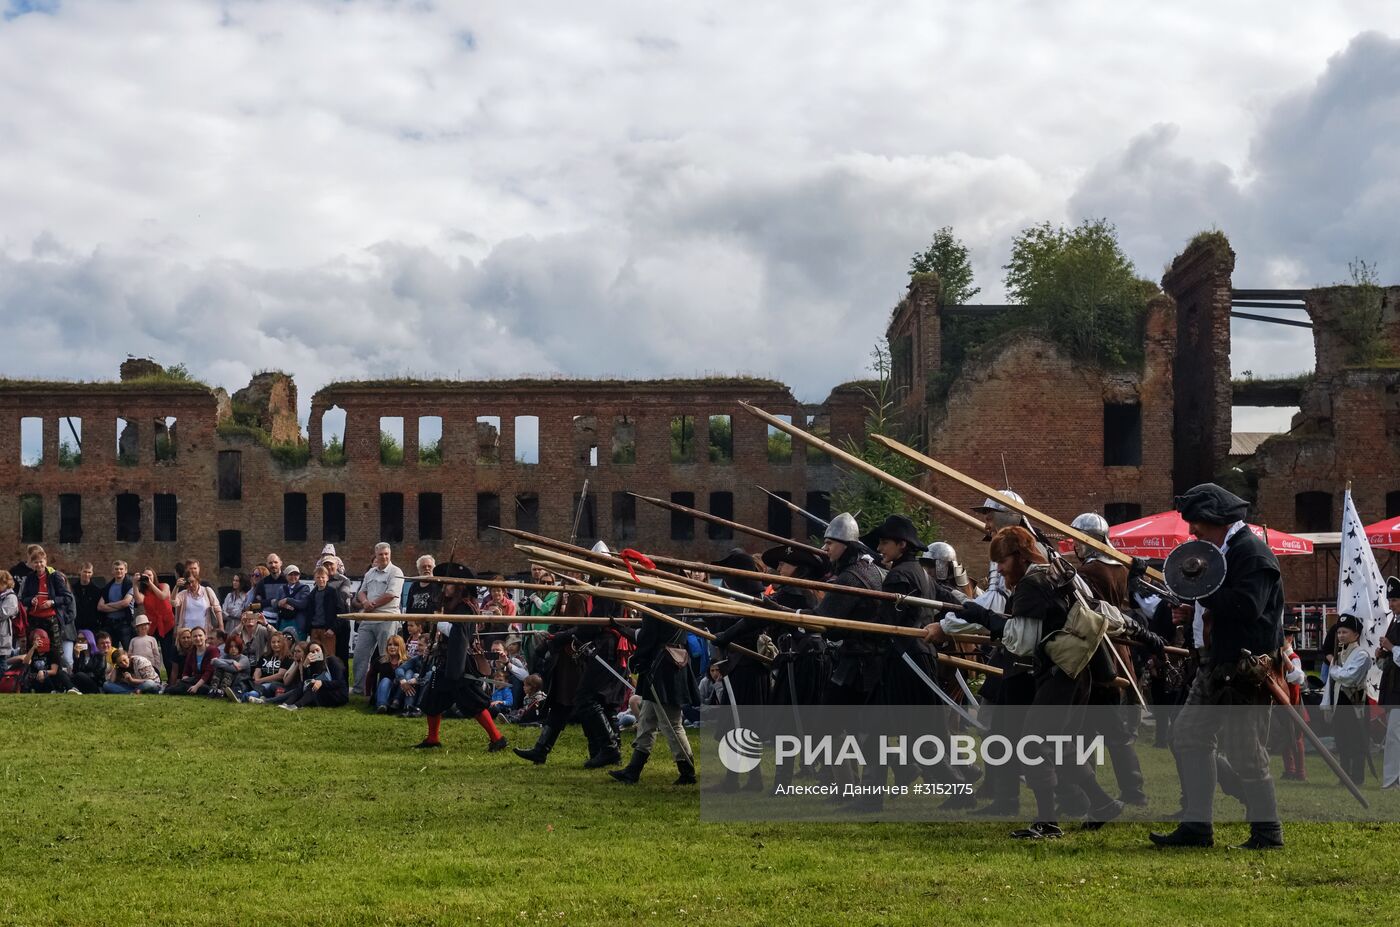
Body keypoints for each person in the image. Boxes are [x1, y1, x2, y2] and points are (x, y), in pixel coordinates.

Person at [1150, 483, 1286, 851]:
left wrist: (1199, 591)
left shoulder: (1252, 553)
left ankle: (1267, 832)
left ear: (1218, 520)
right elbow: (1224, 607)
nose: (1193, 533)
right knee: (1187, 735)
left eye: (1198, 526)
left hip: (1245, 669)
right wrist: (1194, 609)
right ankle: (1197, 826)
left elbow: (1248, 608)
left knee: (1245, 752)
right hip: (1215, 663)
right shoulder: (1225, 550)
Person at [416, 564, 508, 751]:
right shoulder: (451, 605)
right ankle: (432, 739)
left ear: (459, 587)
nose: (445, 587)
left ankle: (497, 738)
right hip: (446, 660)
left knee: (473, 702)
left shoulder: (466, 608)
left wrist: (439, 622)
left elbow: (459, 635)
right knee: (433, 699)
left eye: (449, 584)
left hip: (459, 662)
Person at [610, 602, 699, 785]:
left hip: (662, 668)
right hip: (669, 662)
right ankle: (633, 770)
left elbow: (646, 638)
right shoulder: (682, 603)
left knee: (672, 724)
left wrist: (624, 631)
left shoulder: (656, 605)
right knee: (647, 720)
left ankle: (687, 771)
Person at [1325, 614, 1373, 785]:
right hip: (1340, 704)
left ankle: (1357, 778)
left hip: (1356, 705)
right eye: (1339, 632)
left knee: (1357, 742)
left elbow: (1349, 677)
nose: (1341, 636)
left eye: (1345, 632)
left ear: (1356, 635)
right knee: (1342, 742)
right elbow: (1334, 682)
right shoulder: (1340, 654)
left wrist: (1334, 671)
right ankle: (1344, 777)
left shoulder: (1362, 655)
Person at [353, 543, 405, 694]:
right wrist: (365, 602)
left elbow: (391, 594)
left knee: (387, 656)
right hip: (368, 618)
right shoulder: (370, 573)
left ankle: (386, 689)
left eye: (386, 554)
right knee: (360, 654)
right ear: (375, 555)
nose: (384, 557)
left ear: (390, 554)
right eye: (380, 554)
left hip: (387, 617)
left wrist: (372, 604)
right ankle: (358, 690)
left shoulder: (396, 571)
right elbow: (362, 592)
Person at [17, 545, 77, 670]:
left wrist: (52, 602)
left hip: (51, 618)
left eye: (41, 562)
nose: (39, 565)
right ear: (32, 564)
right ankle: (32, 676)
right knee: (34, 646)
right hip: (34, 618)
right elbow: (23, 598)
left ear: (45, 561)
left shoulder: (55, 577)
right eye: (36, 562)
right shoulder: (30, 578)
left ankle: (56, 676)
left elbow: (67, 597)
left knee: (55, 649)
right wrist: (31, 600)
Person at [278, 642, 349, 711]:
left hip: (337, 694)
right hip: (321, 692)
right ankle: (286, 703)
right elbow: (305, 683)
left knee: (312, 685)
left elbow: (339, 683)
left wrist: (321, 683)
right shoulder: (312, 664)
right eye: (312, 652)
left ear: (322, 650)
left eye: (317, 650)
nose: (315, 653)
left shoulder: (332, 661)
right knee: (303, 684)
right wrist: (305, 666)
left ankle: (297, 705)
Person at [132, 569, 177, 676]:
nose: (148, 577)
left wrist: (150, 583)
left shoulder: (164, 585)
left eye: (150, 575)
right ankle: (153, 677)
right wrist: (134, 584)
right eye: (145, 576)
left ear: (154, 576)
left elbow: (162, 596)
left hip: (167, 624)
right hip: (153, 625)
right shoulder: (144, 592)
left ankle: (172, 679)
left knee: (167, 655)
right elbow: (139, 601)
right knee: (150, 653)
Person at [1280, 625, 1308, 781]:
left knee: (1296, 736)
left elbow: (1298, 677)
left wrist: (1284, 657)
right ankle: (1289, 770)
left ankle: (1300, 772)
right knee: (1285, 736)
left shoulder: (1293, 657)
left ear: (1289, 639)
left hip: (1293, 701)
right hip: (1281, 702)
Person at [9, 629, 72, 693]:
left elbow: (54, 671)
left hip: (50, 678)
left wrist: (43, 672)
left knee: (52, 676)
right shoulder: (32, 652)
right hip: (36, 679)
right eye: (36, 639)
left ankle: (61, 690)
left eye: (42, 638)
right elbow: (25, 663)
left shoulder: (52, 652)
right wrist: (33, 648)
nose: (39, 641)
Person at [165, 627, 220, 696]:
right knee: (181, 684)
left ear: (205, 637)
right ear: (192, 639)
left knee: (199, 688)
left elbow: (209, 672)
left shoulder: (213, 650)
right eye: (195, 636)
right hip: (195, 680)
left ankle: (214, 692)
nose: (197, 638)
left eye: (200, 635)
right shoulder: (192, 652)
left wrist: (196, 686)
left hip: (209, 681)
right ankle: (167, 689)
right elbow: (186, 671)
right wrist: (184, 680)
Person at [173, 559, 222, 633]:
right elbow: (174, 603)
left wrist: (221, 626)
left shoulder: (206, 588)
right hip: (187, 632)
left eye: (195, 568)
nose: (191, 585)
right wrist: (176, 587)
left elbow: (217, 608)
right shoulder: (183, 591)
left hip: (204, 631)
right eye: (190, 569)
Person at [305, 566, 344, 657]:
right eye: (318, 577)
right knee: (315, 656)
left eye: (323, 577)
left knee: (329, 656)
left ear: (327, 578)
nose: (320, 579)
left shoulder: (333, 592)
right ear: (314, 578)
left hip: (327, 631)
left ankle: (329, 672)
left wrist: (333, 629)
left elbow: (341, 612)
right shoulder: (312, 594)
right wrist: (309, 629)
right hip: (314, 629)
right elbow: (309, 613)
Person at [96, 561, 136, 649]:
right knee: (111, 652)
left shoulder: (130, 585)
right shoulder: (107, 587)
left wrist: (108, 605)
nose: (119, 571)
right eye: (116, 569)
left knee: (128, 650)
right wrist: (119, 605)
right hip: (110, 623)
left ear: (126, 570)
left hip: (124, 623)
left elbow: (125, 603)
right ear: (112, 571)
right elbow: (100, 607)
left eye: (121, 569)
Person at [248, 631, 294, 701]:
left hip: (275, 685)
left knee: (261, 689)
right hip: (260, 683)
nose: (276, 644)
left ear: (283, 643)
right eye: (273, 642)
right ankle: (239, 694)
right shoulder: (265, 656)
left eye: (279, 642)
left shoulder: (287, 657)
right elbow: (258, 670)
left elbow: (280, 675)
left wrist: (260, 680)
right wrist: (257, 679)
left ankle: (248, 696)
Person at [209, 635, 253, 703]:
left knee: (228, 671)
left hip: (241, 683)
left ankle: (223, 691)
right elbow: (214, 662)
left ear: (239, 647)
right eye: (231, 646)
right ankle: (213, 689)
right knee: (219, 670)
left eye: (235, 646)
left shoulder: (244, 659)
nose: (233, 649)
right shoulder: (225, 656)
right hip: (228, 681)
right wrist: (232, 661)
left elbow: (234, 669)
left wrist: (227, 662)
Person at [373, 634, 410, 714]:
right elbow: (371, 676)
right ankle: (382, 706)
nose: (392, 647)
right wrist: (369, 693)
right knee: (386, 680)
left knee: (404, 679)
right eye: (390, 645)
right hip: (383, 692)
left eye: (396, 645)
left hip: (400, 693)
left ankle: (395, 703)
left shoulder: (408, 661)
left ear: (401, 647)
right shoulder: (380, 660)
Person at [73, 563, 104, 637]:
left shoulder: (97, 591)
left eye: (89, 572)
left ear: (92, 573)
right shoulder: (72, 589)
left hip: (93, 627)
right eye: (85, 572)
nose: (86, 575)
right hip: (76, 626)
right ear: (79, 571)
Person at [0, 570, 20, 660]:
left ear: (5, 583)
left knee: (1, 665)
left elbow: (2, 614)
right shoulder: (1, 595)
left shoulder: (11, 597)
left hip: (2, 639)